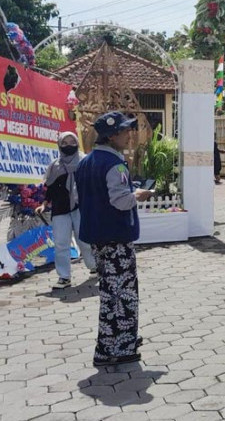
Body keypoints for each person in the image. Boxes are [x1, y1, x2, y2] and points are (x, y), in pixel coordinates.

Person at [75, 111, 154, 367]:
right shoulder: (115, 165)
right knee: (122, 294)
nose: (129, 134)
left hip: (97, 236)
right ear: (111, 136)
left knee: (111, 292)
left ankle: (119, 340)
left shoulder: (86, 162)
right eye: (124, 131)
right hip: (116, 237)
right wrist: (139, 195)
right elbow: (120, 201)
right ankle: (115, 348)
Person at [35, 131, 96, 289]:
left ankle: (94, 267)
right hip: (60, 209)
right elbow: (50, 188)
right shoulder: (55, 166)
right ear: (59, 145)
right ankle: (64, 277)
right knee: (61, 244)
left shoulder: (85, 162)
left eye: (72, 142)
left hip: (81, 208)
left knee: (85, 241)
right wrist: (44, 204)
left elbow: (93, 185)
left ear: (77, 143)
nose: (69, 146)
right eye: (65, 143)